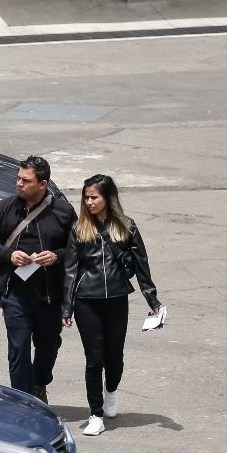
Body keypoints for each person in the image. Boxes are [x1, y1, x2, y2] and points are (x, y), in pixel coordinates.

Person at [62, 174, 162, 436]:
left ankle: (111, 391)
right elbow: (70, 270)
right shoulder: (78, 228)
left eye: (94, 197)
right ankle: (95, 413)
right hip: (87, 301)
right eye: (86, 197)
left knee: (114, 357)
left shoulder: (127, 227)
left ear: (108, 198)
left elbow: (142, 265)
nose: (89, 201)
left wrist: (152, 300)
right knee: (94, 359)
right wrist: (66, 308)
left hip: (117, 300)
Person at [0, 156, 76, 402]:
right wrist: (10, 255)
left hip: (49, 295)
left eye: (26, 180)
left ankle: (39, 383)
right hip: (15, 293)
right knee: (19, 347)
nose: (19, 184)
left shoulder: (63, 212)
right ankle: (25, 401)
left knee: (48, 346)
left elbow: (78, 249)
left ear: (43, 184)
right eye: (18, 178)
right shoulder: (6, 207)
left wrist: (56, 256)